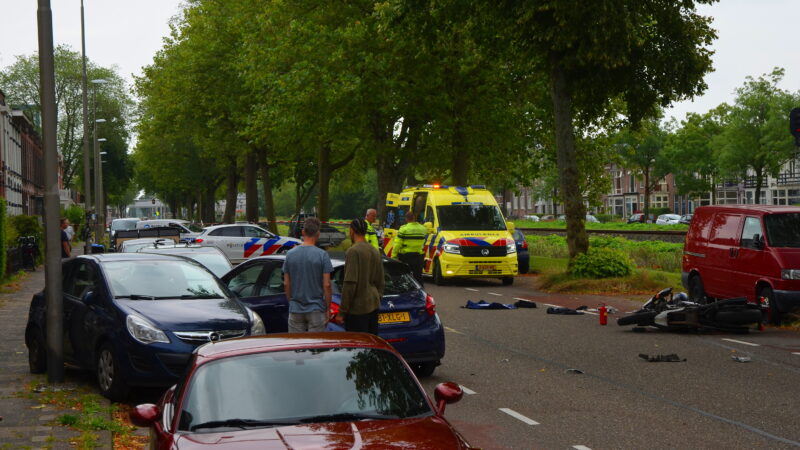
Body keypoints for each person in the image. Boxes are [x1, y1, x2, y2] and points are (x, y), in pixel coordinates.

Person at [283, 217, 333, 332]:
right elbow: (327, 285)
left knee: (296, 347)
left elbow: (286, 283)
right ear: (318, 234)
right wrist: (327, 308)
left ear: (303, 232)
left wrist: (291, 302)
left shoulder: (290, 254)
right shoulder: (322, 255)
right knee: (315, 349)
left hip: (295, 309)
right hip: (316, 309)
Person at [334, 218, 384, 334]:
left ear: (352, 230)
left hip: (358, 310)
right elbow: (381, 281)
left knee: (357, 348)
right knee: (371, 345)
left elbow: (350, 283)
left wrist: (342, 312)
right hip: (373, 306)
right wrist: (377, 298)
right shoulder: (374, 250)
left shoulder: (353, 251)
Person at [393, 211, 427, 286]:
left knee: (403, 276)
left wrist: (394, 256)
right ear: (414, 218)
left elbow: (397, 244)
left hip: (406, 257)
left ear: (406, 219)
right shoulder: (423, 229)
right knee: (418, 277)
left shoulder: (403, 229)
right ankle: (421, 293)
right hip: (418, 257)